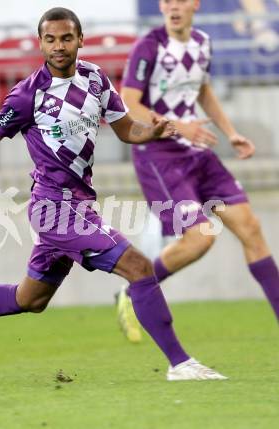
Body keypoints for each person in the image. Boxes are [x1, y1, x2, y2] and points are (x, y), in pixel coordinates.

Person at [0, 7, 227, 381]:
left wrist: (153, 132)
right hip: (53, 208)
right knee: (139, 268)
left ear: (80, 40)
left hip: (78, 205)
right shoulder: (28, 95)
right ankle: (181, 364)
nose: (58, 46)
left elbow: (127, 130)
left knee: (29, 300)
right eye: (50, 39)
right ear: (40, 44)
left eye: (65, 38)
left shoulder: (95, 79)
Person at [117, 0, 279, 343]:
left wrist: (230, 132)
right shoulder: (149, 46)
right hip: (159, 154)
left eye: (181, 1)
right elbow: (129, 102)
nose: (174, 7)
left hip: (197, 152)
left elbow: (202, 89)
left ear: (195, 4)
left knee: (250, 227)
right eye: (167, 2)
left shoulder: (202, 42)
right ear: (161, 7)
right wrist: (178, 126)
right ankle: (136, 290)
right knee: (201, 237)